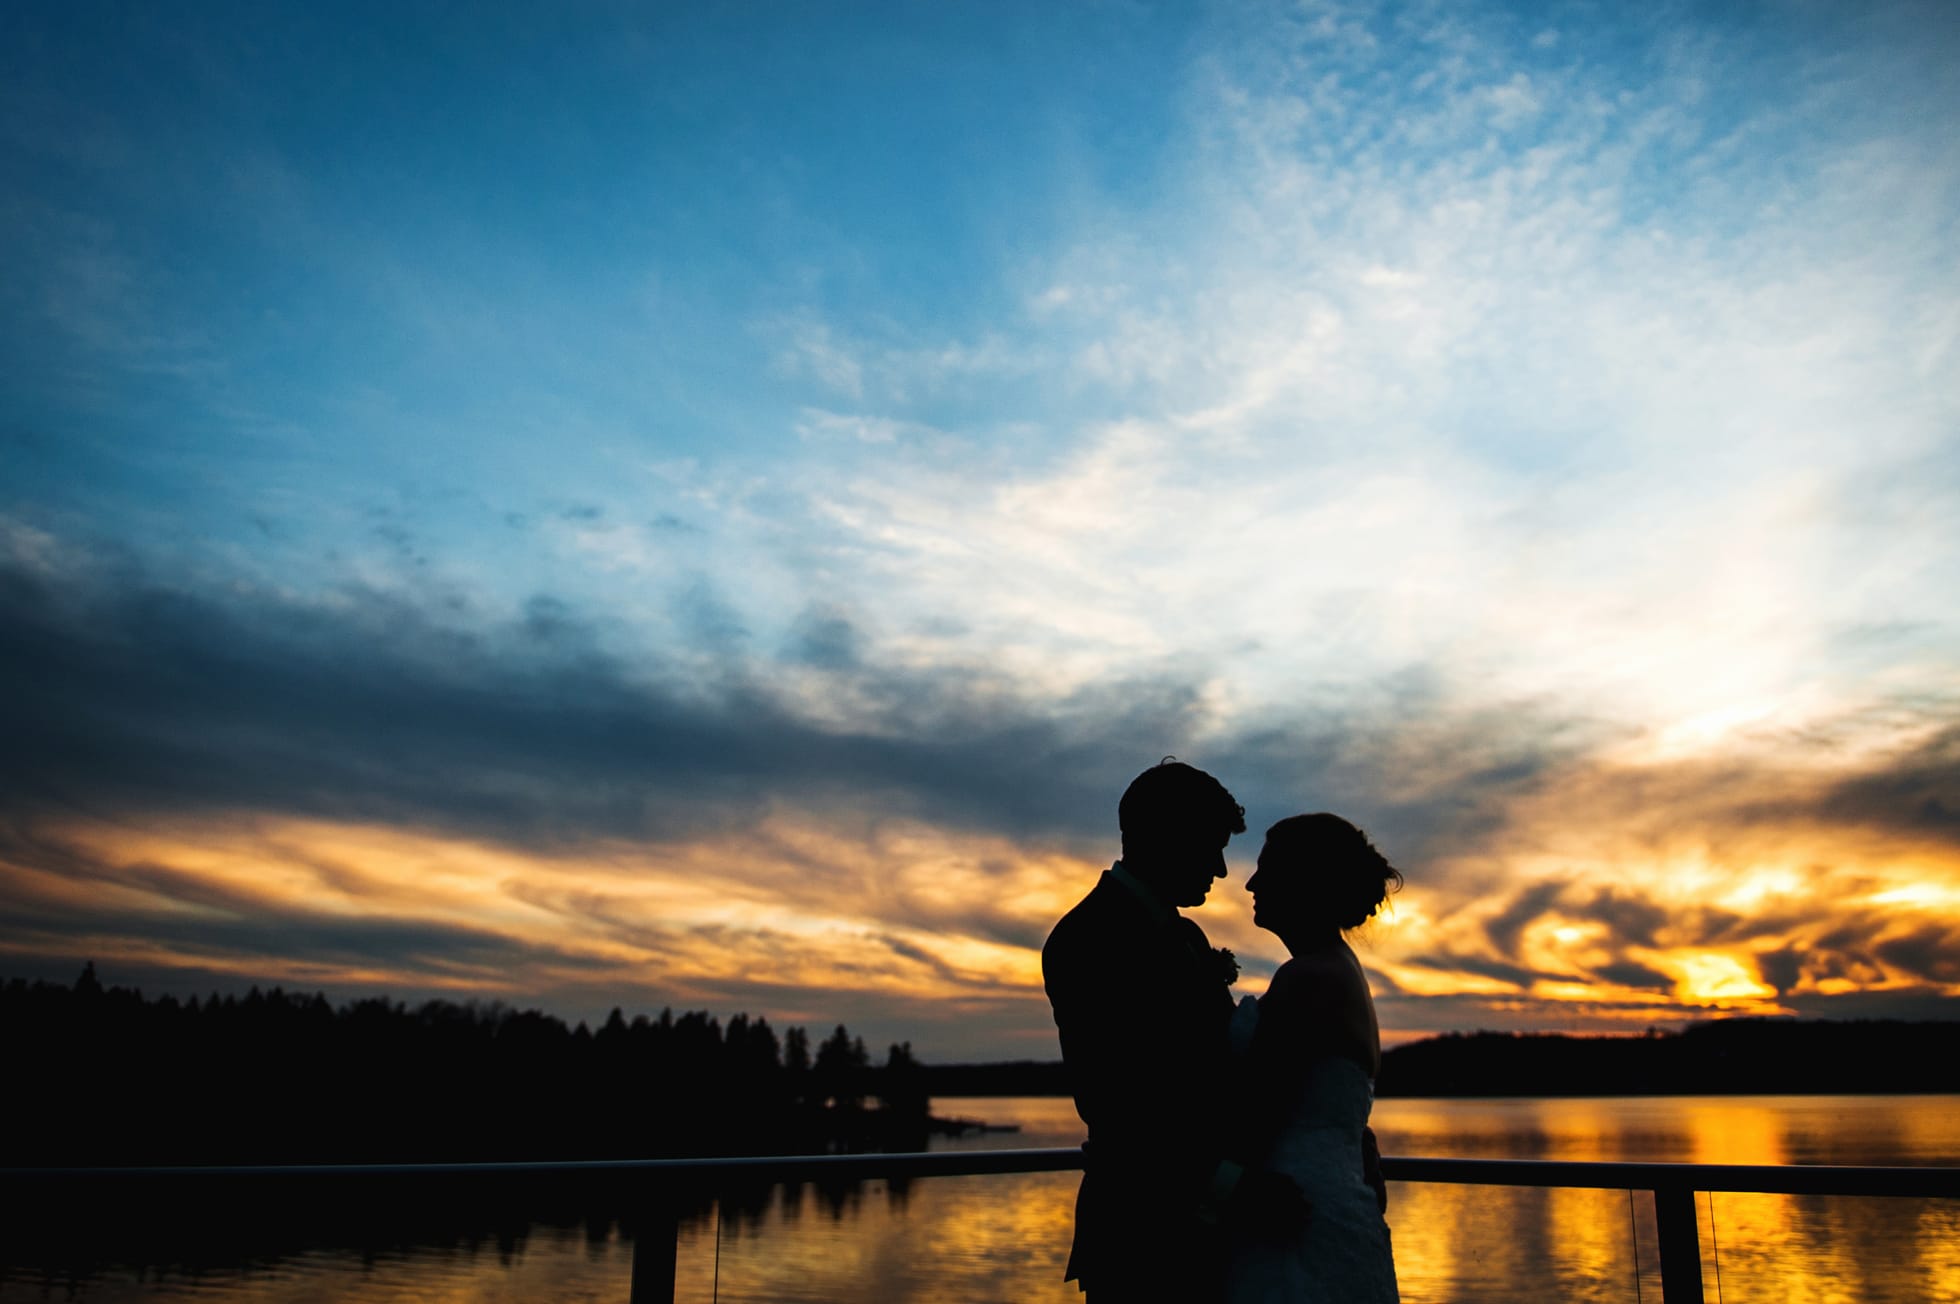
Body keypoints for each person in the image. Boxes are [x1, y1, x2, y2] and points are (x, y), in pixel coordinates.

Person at [1043, 759, 1300, 1302]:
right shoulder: (1084, 939)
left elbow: (1219, 1071)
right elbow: (1117, 1102)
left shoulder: (1187, 934)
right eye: (1212, 845)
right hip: (1143, 1239)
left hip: (1214, 1234)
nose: (1223, 870)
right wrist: (1236, 1188)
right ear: (1166, 836)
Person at [1224, 813, 1403, 1304]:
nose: (1251, 882)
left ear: (1304, 881)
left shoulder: (1308, 978)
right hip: (1335, 1200)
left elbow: (1255, 1110)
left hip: (1291, 1213)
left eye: (1266, 869)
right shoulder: (1341, 970)